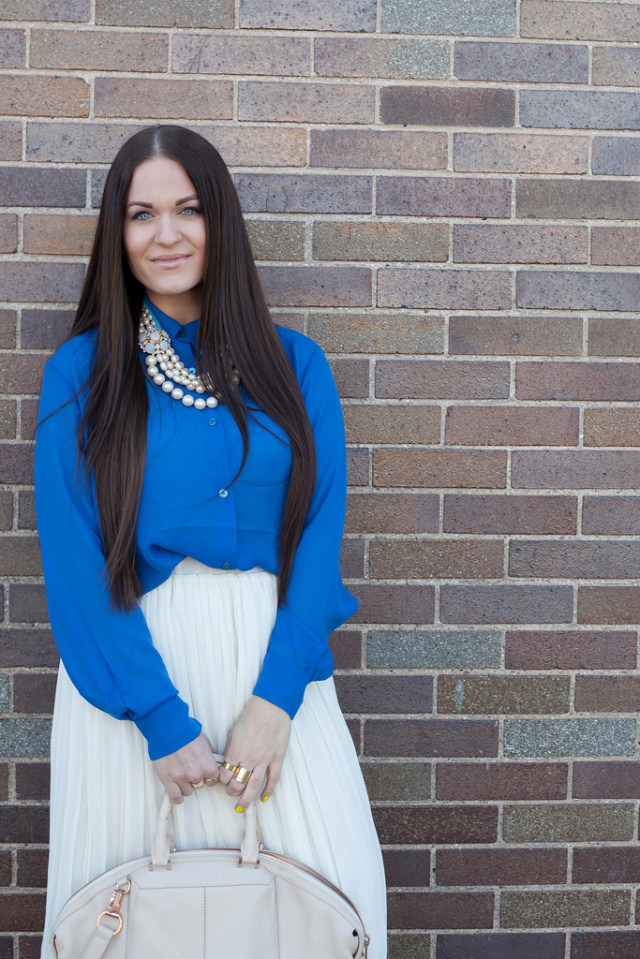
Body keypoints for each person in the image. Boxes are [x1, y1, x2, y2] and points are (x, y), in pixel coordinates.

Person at [34, 124, 387, 958]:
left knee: (330, 900)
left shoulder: (294, 366)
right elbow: (76, 564)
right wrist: (159, 720)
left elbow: (319, 534)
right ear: (116, 236)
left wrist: (275, 701)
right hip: (133, 687)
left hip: (276, 677)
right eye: (141, 214)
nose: (166, 234)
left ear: (218, 220)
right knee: (143, 925)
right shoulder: (82, 374)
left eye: (188, 209)